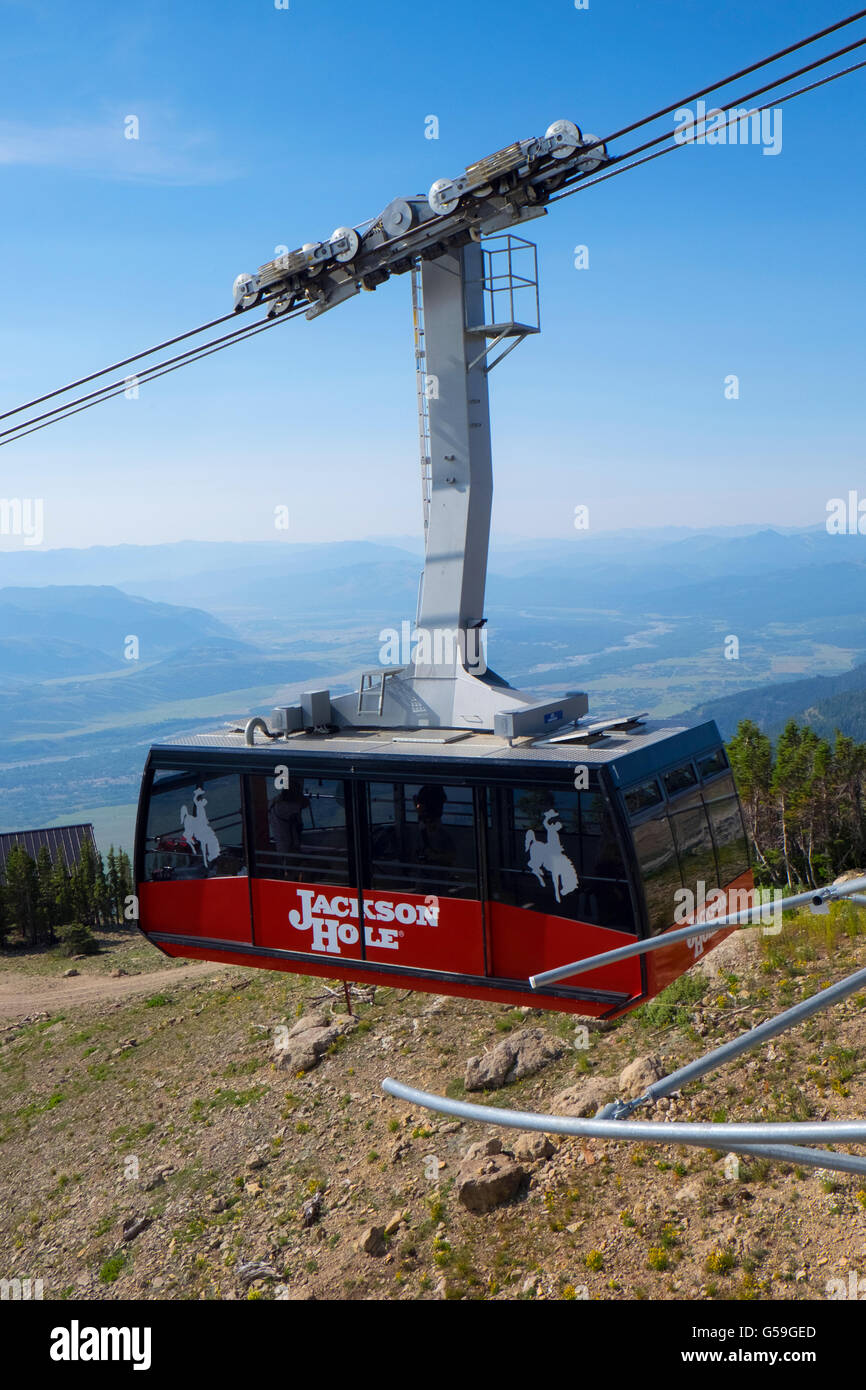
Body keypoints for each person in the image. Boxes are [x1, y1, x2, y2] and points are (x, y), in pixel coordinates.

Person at [269, 780, 310, 856]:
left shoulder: (275, 802)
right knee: (290, 860)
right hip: (289, 844)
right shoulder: (287, 807)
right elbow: (305, 804)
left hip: (281, 842)